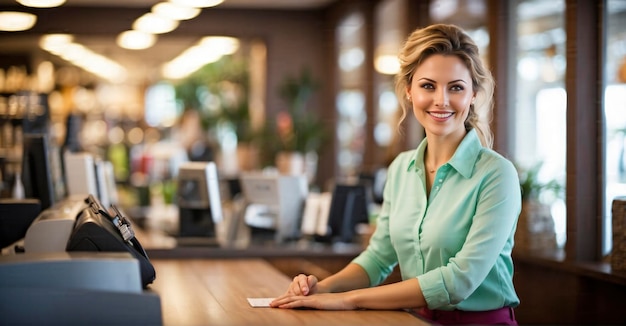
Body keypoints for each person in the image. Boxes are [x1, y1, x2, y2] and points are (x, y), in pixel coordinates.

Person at [270, 23, 521, 325]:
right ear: (409, 91)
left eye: (455, 87)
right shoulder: (401, 168)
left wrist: (346, 301)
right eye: (428, 86)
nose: (441, 100)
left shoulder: (497, 175)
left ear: (473, 95)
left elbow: (458, 282)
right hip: (413, 320)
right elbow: (378, 259)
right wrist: (319, 289)